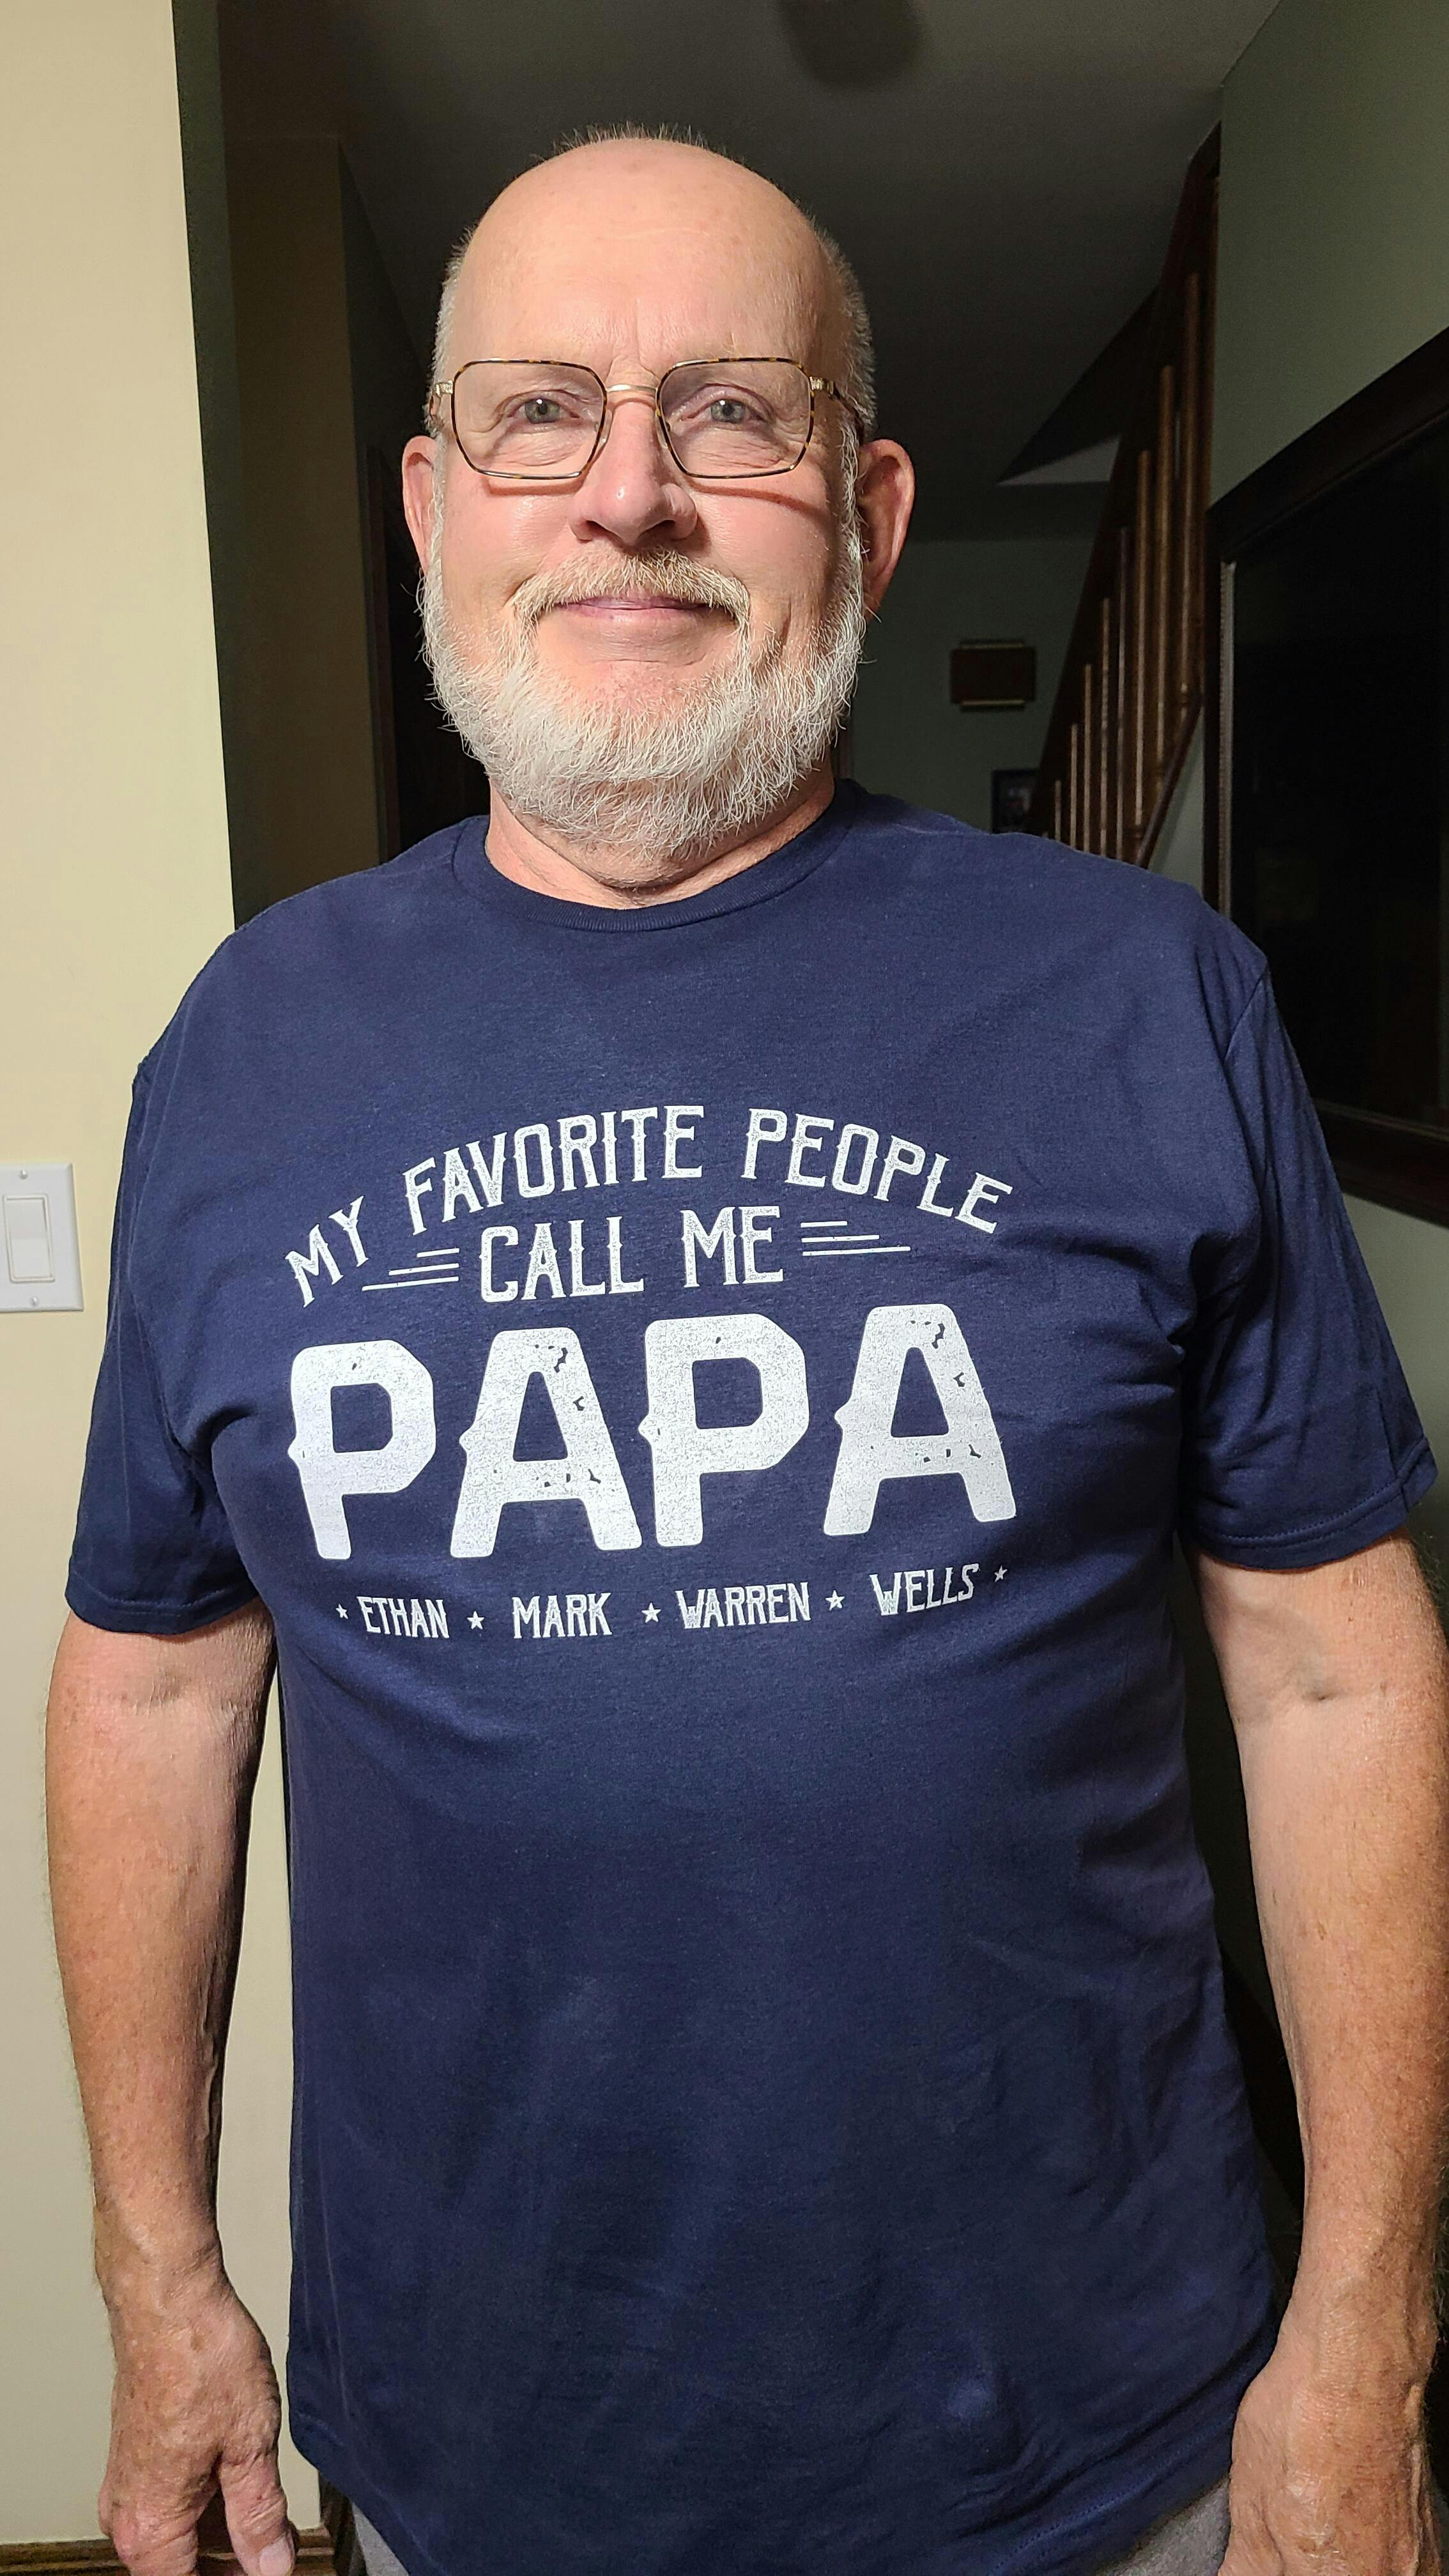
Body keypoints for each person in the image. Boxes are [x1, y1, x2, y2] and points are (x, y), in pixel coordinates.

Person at [47, 128, 1449, 2576]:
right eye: (538, 413)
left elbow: (1335, 1674)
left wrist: (1368, 2337)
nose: (630, 496)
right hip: (482, 2441)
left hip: (1105, 2441)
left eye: (730, 411)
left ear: (871, 516)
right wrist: (156, 2284)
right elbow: (152, 1687)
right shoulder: (247, 1046)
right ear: (431, 507)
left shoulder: (1144, 996)